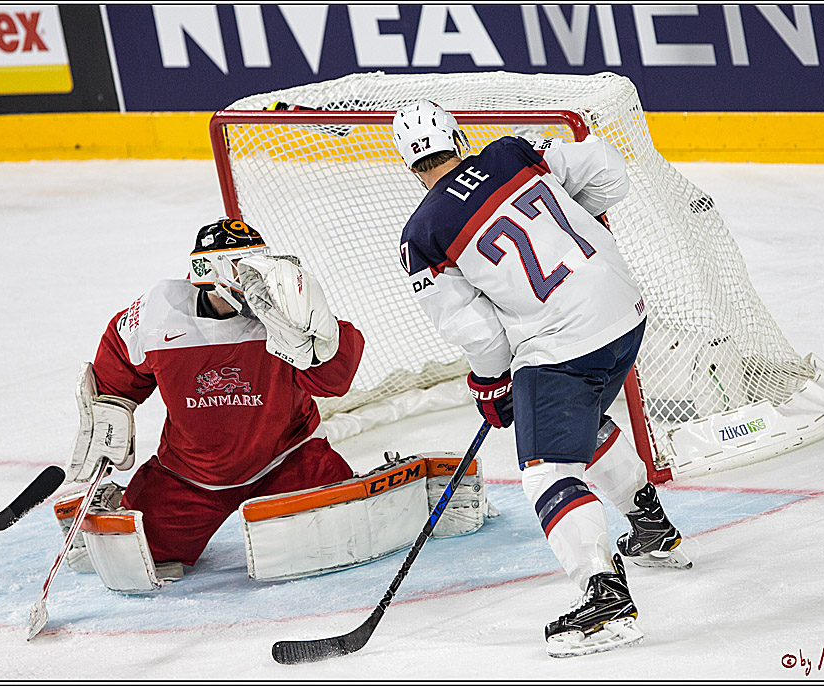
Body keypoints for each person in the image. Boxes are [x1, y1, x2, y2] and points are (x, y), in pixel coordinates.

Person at [391, 100, 692, 658]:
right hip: (625, 312)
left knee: (547, 469)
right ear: (457, 139)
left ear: (407, 163)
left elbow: (477, 333)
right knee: (580, 421)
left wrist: (492, 383)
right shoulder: (512, 153)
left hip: (563, 343)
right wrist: (576, 220)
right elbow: (607, 168)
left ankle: (606, 603)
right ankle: (650, 527)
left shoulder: (423, 235)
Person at [58, 218, 365, 590]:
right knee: (139, 556)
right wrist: (107, 418)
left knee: (342, 534)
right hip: (190, 476)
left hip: (288, 459)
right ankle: (110, 503)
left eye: (259, 260)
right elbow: (117, 371)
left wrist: (319, 338)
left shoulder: (286, 312)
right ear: (209, 270)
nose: (256, 276)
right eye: (241, 264)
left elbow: (335, 382)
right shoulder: (158, 313)